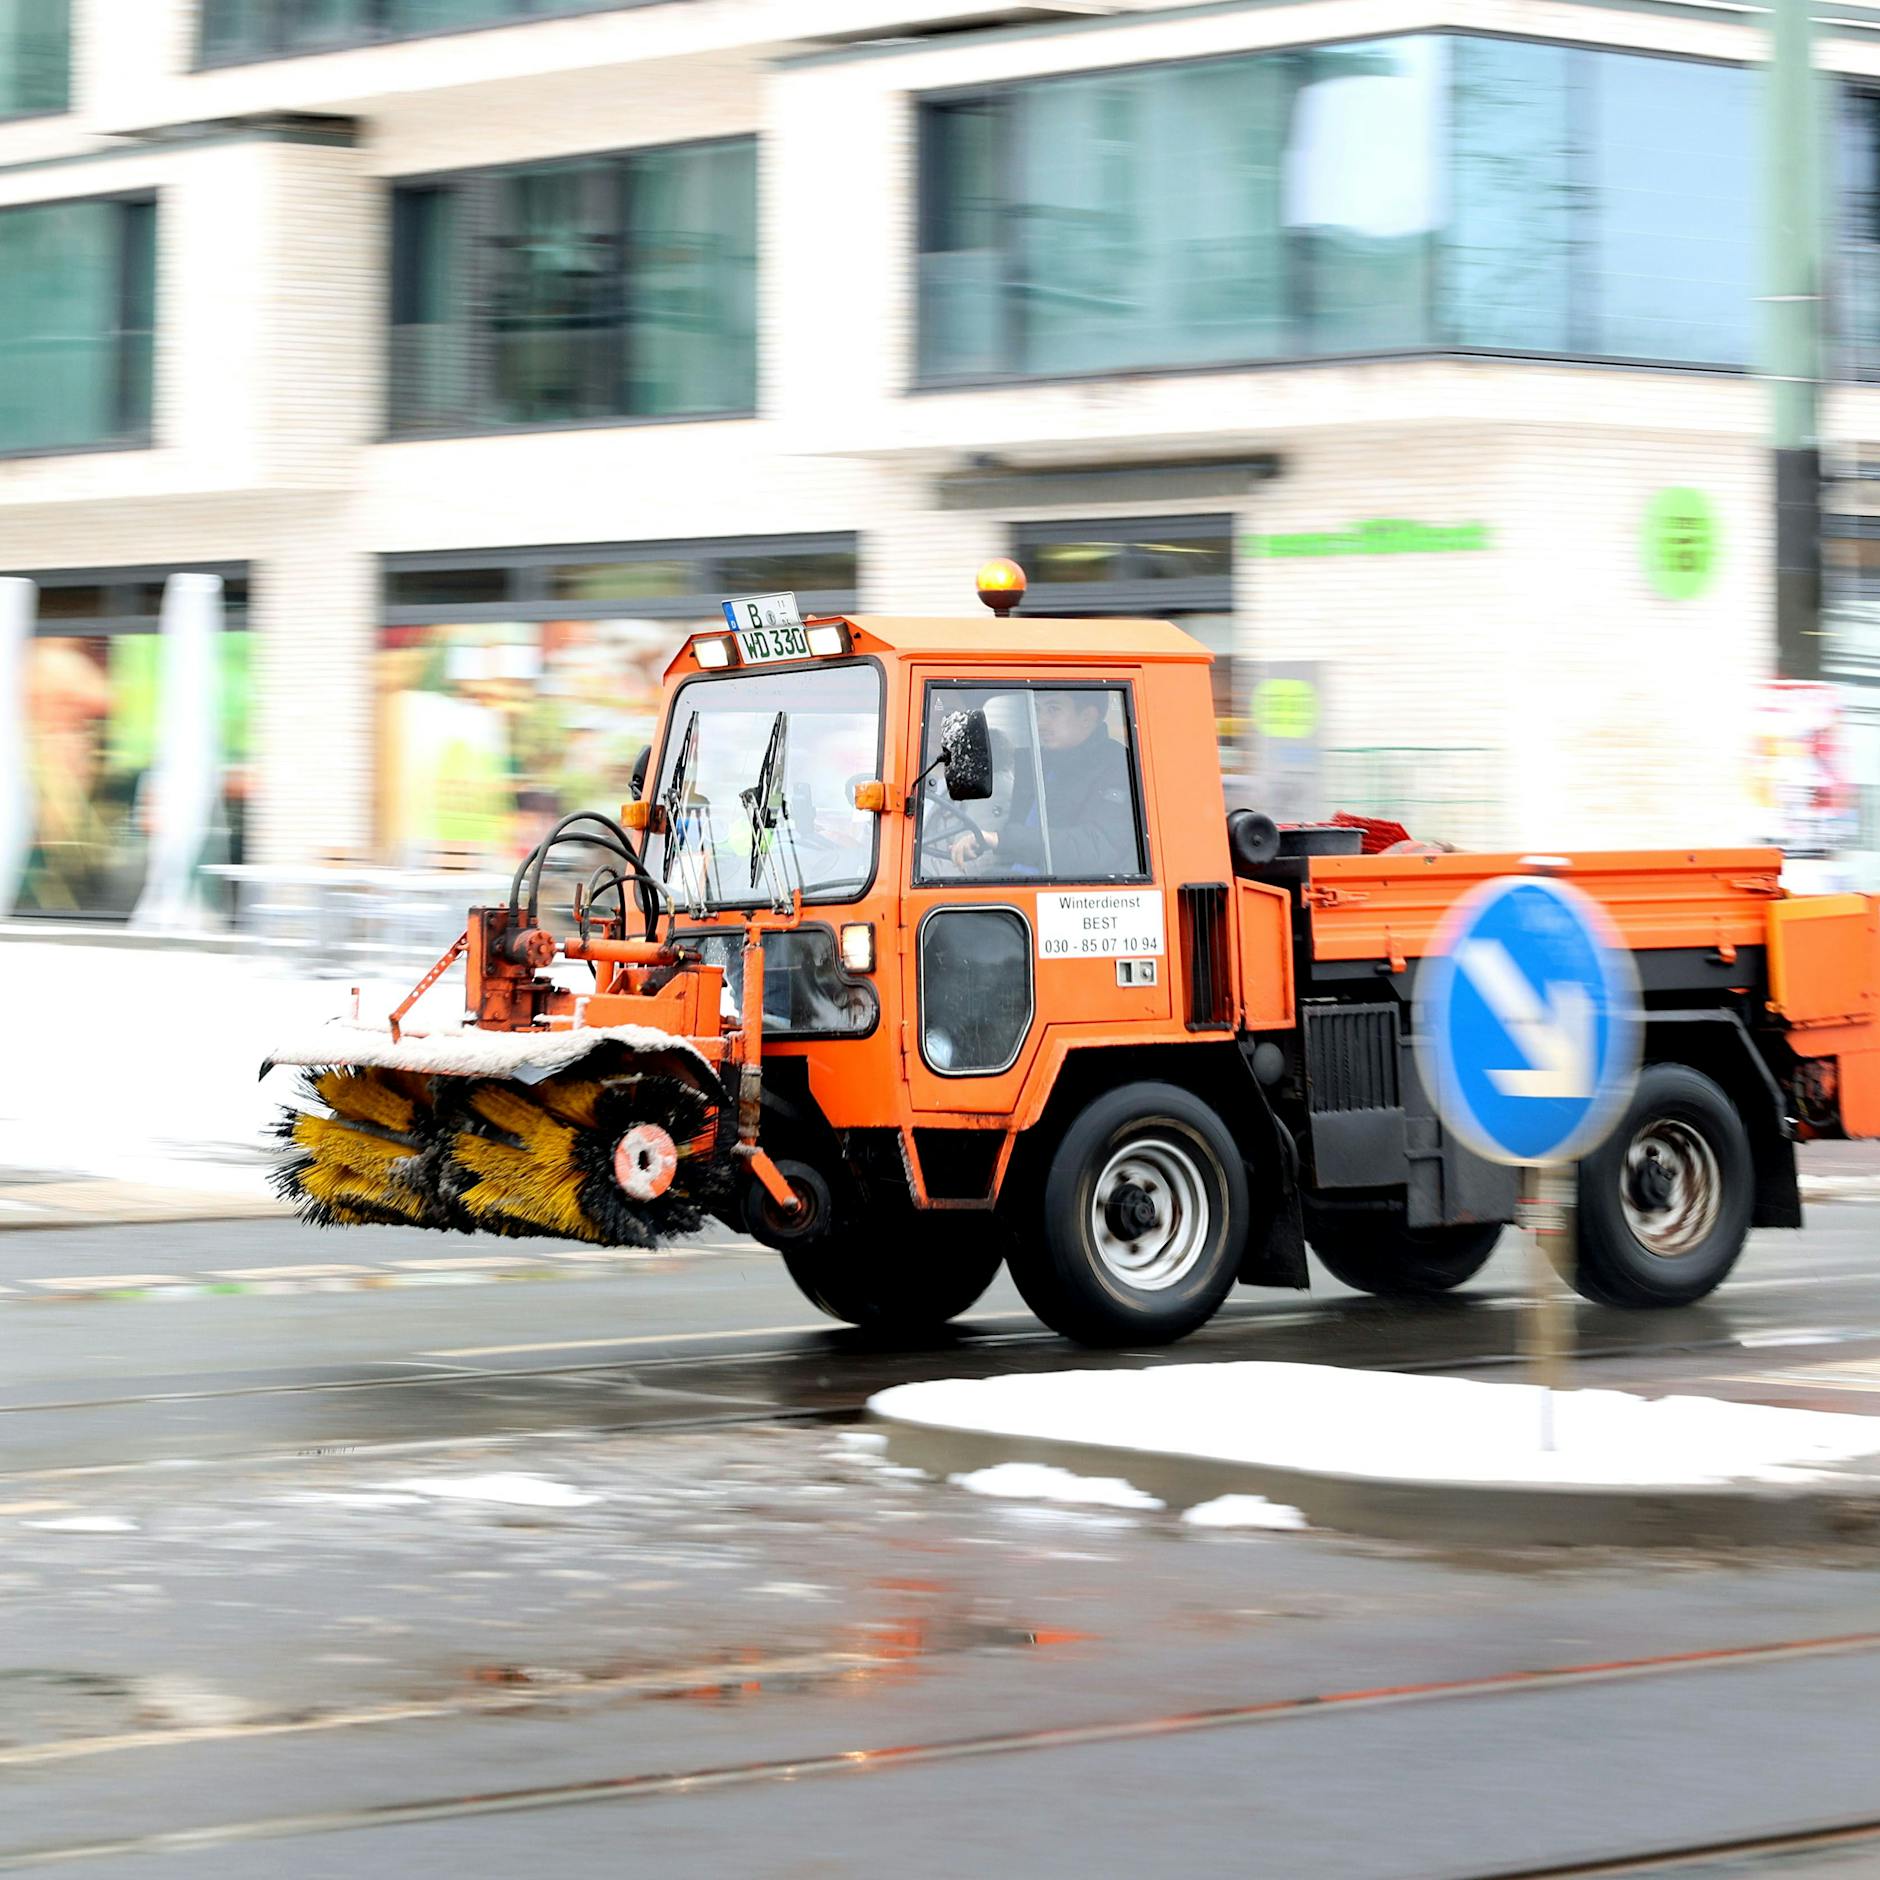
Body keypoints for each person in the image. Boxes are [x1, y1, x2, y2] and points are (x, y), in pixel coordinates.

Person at [949, 690, 1138, 878]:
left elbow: (1098, 846)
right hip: (1018, 881)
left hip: (1077, 896)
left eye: (1053, 709)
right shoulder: (1034, 762)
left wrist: (1001, 840)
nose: (1040, 723)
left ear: (1087, 717)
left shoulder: (1119, 765)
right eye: (1037, 710)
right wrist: (983, 842)